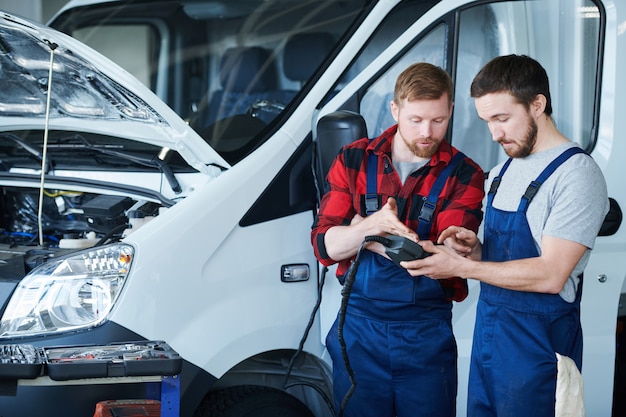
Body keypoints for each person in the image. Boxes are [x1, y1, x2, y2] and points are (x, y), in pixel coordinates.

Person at [404, 54, 609, 417]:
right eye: (487, 122)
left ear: (537, 104)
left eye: (501, 119)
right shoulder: (501, 171)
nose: (495, 134)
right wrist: (475, 251)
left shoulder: (577, 174)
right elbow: (507, 263)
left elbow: (550, 274)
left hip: (539, 357)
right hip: (490, 347)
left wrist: (462, 269)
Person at [311, 62, 485, 417]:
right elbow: (325, 247)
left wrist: (364, 235)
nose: (427, 132)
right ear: (395, 109)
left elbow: (445, 260)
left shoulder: (466, 173)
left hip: (426, 336)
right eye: (416, 120)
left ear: (451, 110)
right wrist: (373, 227)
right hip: (359, 332)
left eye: (438, 120)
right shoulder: (353, 159)